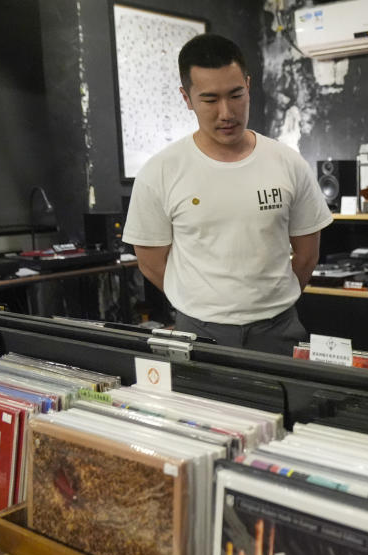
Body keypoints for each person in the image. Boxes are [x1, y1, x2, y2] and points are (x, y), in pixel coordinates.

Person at [122, 34, 332, 355]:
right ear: (187, 98)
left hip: (278, 328)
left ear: (248, 86)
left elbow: (307, 254)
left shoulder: (288, 162)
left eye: (236, 95)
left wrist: (267, 303)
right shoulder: (161, 171)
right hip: (198, 329)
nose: (226, 112)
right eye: (209, 99)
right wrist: (202, 302)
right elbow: (150, 262)